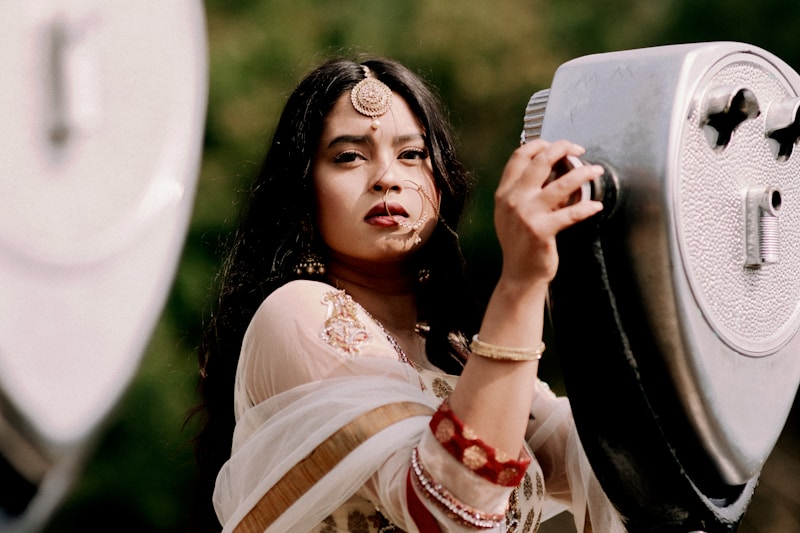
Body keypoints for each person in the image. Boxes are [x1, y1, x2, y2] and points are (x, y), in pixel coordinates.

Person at [191, 57, 626, 532]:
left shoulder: (457, 353)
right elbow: (448, 505)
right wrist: (521, 283)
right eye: (349, 156)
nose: (386, 177)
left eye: (412, 154)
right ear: (302, 194)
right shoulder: (298, 312)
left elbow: (620, 463)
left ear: (441, 183)